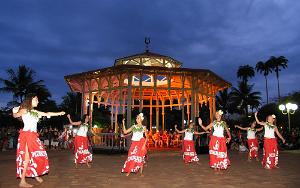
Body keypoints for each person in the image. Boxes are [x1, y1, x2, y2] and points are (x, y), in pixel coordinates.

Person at [12, 95, 65, 187]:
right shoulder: (25, 110)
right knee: (27, 157)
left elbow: (47, 113)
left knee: (39, 155)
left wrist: (59, 113)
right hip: (27, 135)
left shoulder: (35, 112)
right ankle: (22, 181)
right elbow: (15, 115)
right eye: (36, 99)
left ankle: (35, 174)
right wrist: (15, 110)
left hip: (34, 136)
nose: (38, 101)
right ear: (30, 100)